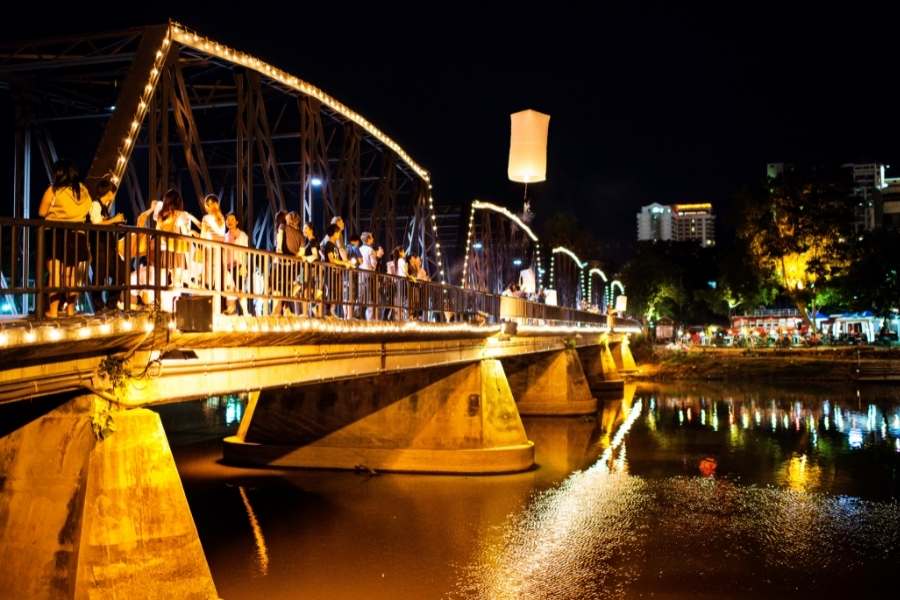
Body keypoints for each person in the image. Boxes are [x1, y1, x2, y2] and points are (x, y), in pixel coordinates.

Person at [38, 159, 92, 318]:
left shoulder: (54, 190)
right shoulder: (83, 191)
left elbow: (41, 212)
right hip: (78, 236)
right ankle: (70, 310)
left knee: (55, 273)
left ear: (59, 173)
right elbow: (88, 209)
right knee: (71, 276)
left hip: (56, 234)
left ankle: (53, 311)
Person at [88, 176, 126, 313]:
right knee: (99, 276)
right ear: (108, 192)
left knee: (121, 272)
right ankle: (99, 306)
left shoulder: (103, 207)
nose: (113, 195)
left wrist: (114, 222)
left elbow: (103, 222)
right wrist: (113, 220)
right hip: (99, 247)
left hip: (108, 248)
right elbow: (96, 223)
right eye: (112, 192)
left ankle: (111, 303)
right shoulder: (95, 205)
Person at [321, 223, 353, 317]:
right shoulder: (329, 245)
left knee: (336, 292)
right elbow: (331, 259)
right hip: (331, 272)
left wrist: (345, 264)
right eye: (338, 232)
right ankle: (328, 311)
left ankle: (331, 311)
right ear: (334, 233)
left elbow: (337, 259)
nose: (339, 235)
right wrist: (344, 263)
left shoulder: (334, 246)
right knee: (331, 292)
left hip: (336, 272)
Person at [224, 212, 250, 315]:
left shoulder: (242, 235)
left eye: (232, 220)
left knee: (240, 288)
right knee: (230, 287)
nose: (229, 222)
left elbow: (245, 251)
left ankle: (246, 311)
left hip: (238, 264)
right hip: (227, 266)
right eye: (228, 220)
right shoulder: (225, 236)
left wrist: (244, 265)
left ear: (237, 222)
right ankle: (231, 309)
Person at [300, 222, 319, 316]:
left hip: (310, 269)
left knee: (306, 289)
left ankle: (306, 312)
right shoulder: (309, 241)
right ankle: (311, 310)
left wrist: (305, 258)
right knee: (306, 289)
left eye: (306, 228)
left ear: (311, 230)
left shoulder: (312, 241)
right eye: (303, 228)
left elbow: (315, 255)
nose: (304, 230)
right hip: (307, 269)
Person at [359, 232, 377, 320]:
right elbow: (373, 264)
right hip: (369, 274)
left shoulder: (359, 249)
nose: (373, 239)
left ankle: (355, 316)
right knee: (370, 298)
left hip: (360, 274)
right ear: (368, 239)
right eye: (372, 238)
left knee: (360, 296)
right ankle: (369, 319)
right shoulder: (371, 250)